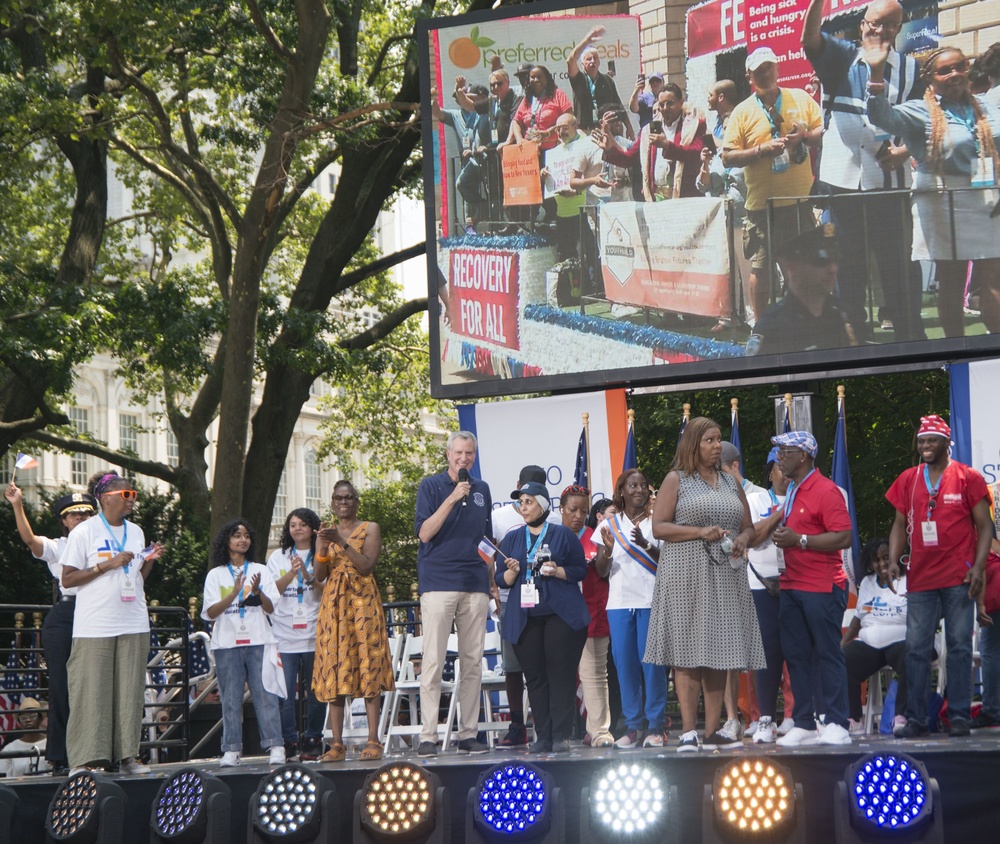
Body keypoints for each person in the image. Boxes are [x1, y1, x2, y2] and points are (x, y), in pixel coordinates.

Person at [803, 0, 926, 342]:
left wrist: (905, 151)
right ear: (862, 25)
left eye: (888, 25)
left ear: (899, 29)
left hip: (890, 186)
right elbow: (809, 39)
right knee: (845, 272)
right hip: (843, 185)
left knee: (899, 270)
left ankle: (912, 347)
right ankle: (848, 344)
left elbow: (926, 124)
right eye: (873, 23)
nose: (879, 30)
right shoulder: (840, 57)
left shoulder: (911, 70)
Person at [647, 417, 765, 752]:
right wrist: (700, 531)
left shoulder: (731, 482)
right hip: (685, 573)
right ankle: (687, 731)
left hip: (726, 573)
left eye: (718, 440)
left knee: (720, 651)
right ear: (693, 444)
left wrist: (743, 538)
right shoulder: (677, 480)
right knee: (686, 652)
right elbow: (659, 528)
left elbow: (749, 527)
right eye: (709, 440)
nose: (716, 446)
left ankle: (713, 730)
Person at [868, 46, 1000, 337]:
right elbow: (882, 117)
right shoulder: (922, 110)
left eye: (959, 67)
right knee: (951, 280)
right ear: (930, 79)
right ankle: (957, 350)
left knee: (992, 276)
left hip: (986, 196)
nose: (954, 74)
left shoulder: (987, 105)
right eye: (944, 70)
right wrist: (876, 76)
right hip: (943, 199)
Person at [886, 414, 992, 737]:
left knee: (959, 646)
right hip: (920, 578)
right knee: (916, 649)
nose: (925, 446)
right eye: (921, 441)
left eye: (932, 440)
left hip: (958, 576)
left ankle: (958, 715)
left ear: (947, 443)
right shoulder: (909, 478)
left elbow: (985, 526)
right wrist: (893, 560)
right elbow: (898, 524)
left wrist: (977, 567)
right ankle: (917, 718)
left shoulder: (966, 477)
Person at [60, 471, 163, 775]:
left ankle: (127, 757)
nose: (132, 499)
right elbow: (67, 579)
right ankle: (84, 760)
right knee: (91, 693)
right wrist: (107, 564)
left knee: (129, 694)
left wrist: (150, 560)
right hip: (95, 625)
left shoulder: (136, 531)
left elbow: (136, 579)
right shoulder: (85, 532)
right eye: (125, 495)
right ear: (105, 498)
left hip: (133, 621)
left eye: (133, 494)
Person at [760, 432, 854, 747]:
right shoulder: (794, 490)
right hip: (791, 586)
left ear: (803, 456)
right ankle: (803, 722)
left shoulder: (826, 490)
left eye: (785, 452)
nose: (779, 458)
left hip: (822, 585)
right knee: (796, 655)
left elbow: (843, 537)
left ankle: (838, 721)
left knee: (828, 653)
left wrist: (800, 541)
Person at [722, 47, 824, 323]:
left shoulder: (800, 98)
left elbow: (819, 131)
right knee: (763, 271)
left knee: (802, 270)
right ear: (749, 76)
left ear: (777, 69)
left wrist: (802, 136)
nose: (765, 73)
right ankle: (763, 329)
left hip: (800, 203)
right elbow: (727, 157)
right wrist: (759, 151)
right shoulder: (742, 112)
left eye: (769, 67)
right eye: (758, 71)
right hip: (762, 208)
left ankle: (802, 324)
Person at [414, 431, 496, 756]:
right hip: (438, 582)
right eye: (459, 453)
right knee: (433, 661)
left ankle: (468, 734)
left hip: (474, 584)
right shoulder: (430, 487)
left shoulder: (483, 490)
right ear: (448, 454)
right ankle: (428, 735)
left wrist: (491, 582)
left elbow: (486, 539)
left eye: (470, 454)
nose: (464, 459)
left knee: (473, 662)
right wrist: (452, 498)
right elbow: (424, 533)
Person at [5, 484, 95, 774]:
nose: (80, 517)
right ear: (64, 521)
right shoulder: (60, 546)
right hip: (66, 614)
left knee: (93, 686)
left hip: (96, 614)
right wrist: (18, 504)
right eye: (74, 514)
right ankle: (61, 755)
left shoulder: (101, 546)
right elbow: (30, 540)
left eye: (86, 513)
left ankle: (94, 752)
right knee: (61, 686)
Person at [496, 481, 590, 753]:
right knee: (535, 677)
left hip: (560, 614)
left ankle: (561, 735)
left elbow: (579, 571)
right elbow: (500, 577)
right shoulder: (513, 538)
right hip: (525, 616)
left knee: (560, 674)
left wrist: (558, 570)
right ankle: (543, 735)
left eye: (528, 502)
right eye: (520, 503)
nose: (523, 508)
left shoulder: (563, 535)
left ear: (543, 505)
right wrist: (511, 574)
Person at [312, 481, 395, 762]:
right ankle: (336, 744)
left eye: (349, 497)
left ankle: (373, 740)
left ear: (357, 502)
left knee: (367, 664)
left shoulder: (370, 528)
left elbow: (366, 565)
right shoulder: (325, 532)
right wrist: (323, 545)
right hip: (334, 606)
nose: (344, 502)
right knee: (336, 665)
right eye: (339, 498)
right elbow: (319, 575)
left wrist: (340, 541)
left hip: (363, 603)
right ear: (333, 503)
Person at [593, 469, 667, 748]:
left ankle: (656, 726)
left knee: (652, 667)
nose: (639, 490)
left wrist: (646, 544)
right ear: (621, 491)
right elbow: (601, 571)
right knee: (625, 667)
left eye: (643, 485)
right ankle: (633, 727)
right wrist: (609, 550)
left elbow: (665, 562)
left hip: (650, 601)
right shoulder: (609, 526)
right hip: (620, 604)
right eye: (632, 485)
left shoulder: (657, 523)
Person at [202, 519, 284, 767]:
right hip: (227, 644)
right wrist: (234, 592)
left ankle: (275, 745)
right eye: (237, 535)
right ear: (226, 541)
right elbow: (211, 613)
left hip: (259, 640)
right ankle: (231, 749)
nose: (243, 540)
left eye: (246, 536)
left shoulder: (261, 569)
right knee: (230, 697)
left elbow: (271, 609)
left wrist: (257, 593)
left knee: (265, 695)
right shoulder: (215, 575)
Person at [491, 465, 556, 748]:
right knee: (514, 667)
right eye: (524, 489)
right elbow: (487, 552)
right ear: (517, 486)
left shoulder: (553, 523)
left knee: (546, 667)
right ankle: (517, 724)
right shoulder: (500, 516)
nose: (527, 497)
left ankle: (550, 726)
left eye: (535, 488)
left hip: (546, 603)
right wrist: (492, 587)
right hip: (512, 602)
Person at [265, 508, 325, 761]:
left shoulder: (321, 554)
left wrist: (307, 574)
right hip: (284, 635)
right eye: (292, 525)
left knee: (316, 693)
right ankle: (288, 741)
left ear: (312, 528)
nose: (297, 528)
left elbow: (324, 591)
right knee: (285, 694)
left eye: (302, 524)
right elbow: (269, 593)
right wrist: (291, 573)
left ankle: (313, 739)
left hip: (314, 633)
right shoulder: (278, 557)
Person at [744, 448, 794, 743]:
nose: (785, 473)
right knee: (766, 652)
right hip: (760, 583)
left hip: (796, 582)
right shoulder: (755, 500)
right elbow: (753, 537)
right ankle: (765, 718)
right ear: (770, 472)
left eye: (789, 467)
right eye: (779, 467)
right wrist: (779, 515)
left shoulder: (805, 496)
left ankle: (793, 716)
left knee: (796, 651)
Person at [752, 224, 859, 356]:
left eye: (835, 260)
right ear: (792, 268)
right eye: (821, 261)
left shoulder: (842, 315)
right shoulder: (773, 328)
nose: (833, 270)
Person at [717, 440, 764, 740]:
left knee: (755, 656)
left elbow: (758, 536)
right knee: (727, 656)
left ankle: (762, 717)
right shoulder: (713, 495)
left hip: (759, 585)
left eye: (719, 468)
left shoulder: (759, 496)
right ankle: (735, 717)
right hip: (725, 583)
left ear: (735, 466)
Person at [561, 483, 614, 747]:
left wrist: (606, 551)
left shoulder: (596, 536)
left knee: (594, 674)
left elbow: (603, 572)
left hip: (592, 615)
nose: (578, 515)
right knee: (559, 677)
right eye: (572, 510)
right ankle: (556, 734)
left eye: (583, 510)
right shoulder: (551, 537)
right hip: (559, 620)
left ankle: (600, 732)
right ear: (561, 509)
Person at [841, 537, 909, 733]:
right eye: (876, 560)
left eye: (886, 558)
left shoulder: (907, 581)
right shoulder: (868, 583)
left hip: (900, 641)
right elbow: (858, 619)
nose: (881, 564)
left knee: (911, 657)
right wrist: (842, 645)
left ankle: (901, 716)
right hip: (870, 645)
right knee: (844, 659)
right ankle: (854, 719)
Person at [597, 84, 707, 200]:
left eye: (670, 103)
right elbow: (630, 159)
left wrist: (667, 146)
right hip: (656, 198)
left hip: (685, 197)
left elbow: (695, 153)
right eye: (661, 104)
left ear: (681, 102)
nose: (665, 108)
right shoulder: (649, 130)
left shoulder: (694, 125)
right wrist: (610, 149)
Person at [432, 79, 492, 225]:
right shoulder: (455, 115)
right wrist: (433, 97)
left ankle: (490, 220)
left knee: (491, 191)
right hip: (468, 162)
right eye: (457, 97)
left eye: (463, 96)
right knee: (464, 189)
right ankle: (473, 223)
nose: (459, 99)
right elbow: (436, 112)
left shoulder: (479, 111)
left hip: (485, 159)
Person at [567, 26, 624, 132]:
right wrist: (587, 40)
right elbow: (570, 61)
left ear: (599, 62)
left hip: (606, 129)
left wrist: (629, 127)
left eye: (595, 58)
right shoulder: (578, 79)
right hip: (585, 131)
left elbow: (618, 105)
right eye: (588, 59)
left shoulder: (607, 80)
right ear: (582, 64)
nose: (592, 61)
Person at [508, 65, 572, 154]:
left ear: (547, 79)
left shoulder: (558, 94)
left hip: (555, 149)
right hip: (530, 151)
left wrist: (548, 133)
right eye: (533, 77)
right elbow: (516, 121)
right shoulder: (527, 99)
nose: (536, 80)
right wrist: (520, 139)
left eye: (539, 77)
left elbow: (569, 118)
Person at [0, 698, 51, 777]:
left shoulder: (51, 744)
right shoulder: (10, 749)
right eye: (23, 718)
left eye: (32, 716)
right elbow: (4, 779)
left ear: (40, 719)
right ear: (19, 723)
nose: (28, 720)